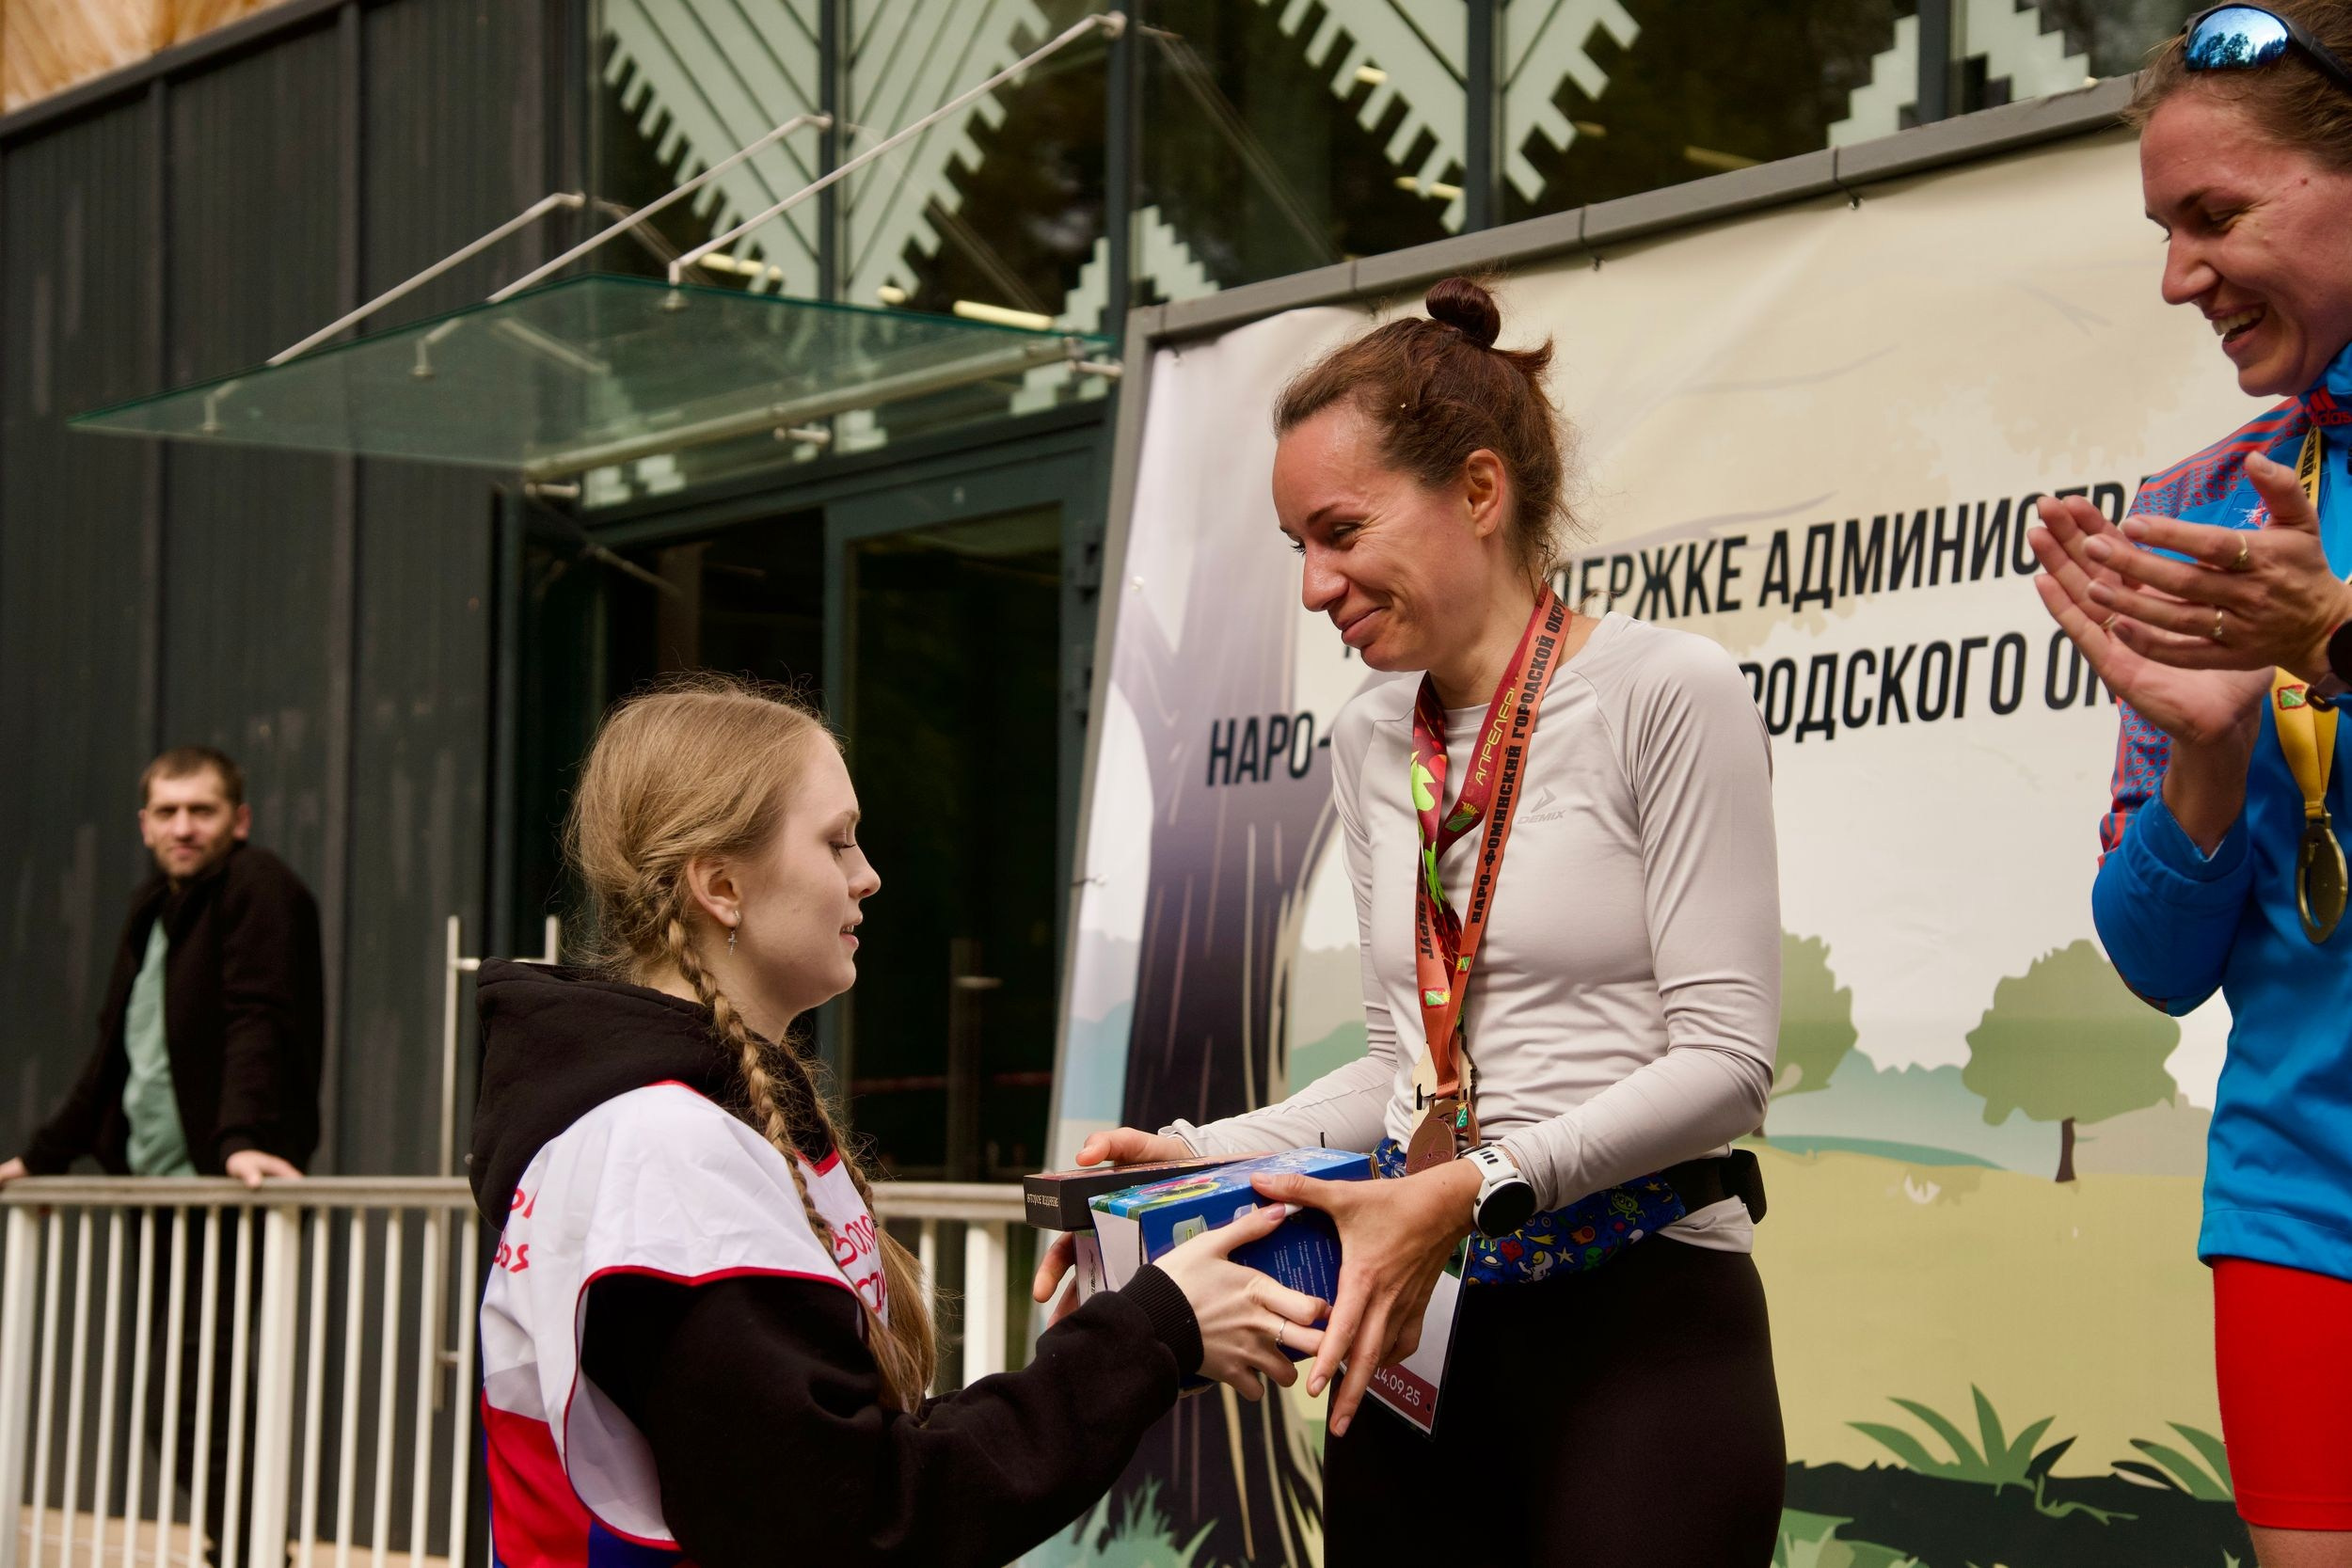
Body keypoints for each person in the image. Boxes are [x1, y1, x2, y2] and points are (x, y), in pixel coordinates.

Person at [1037, 277, 1786, 1564]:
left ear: (1479, 493)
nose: (1319, 585)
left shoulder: (1669, 691)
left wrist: (1473, 1188)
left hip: (1643, 1325)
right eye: (1299, 550)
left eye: (1342, 530)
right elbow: (1407, 1070)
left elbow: (1726, 1066)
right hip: (1420, 1321)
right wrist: (1192, 1153)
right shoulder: (1371, 734)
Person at [469, 675, 1332, 1568]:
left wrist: (1154, 1335)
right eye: (836, 840)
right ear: (720, 885)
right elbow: (865, 1524)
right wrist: (1151, 1331)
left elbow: (854, 1466)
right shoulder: (664, 1151)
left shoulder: (671, 1125)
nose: (867, 874)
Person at [2027, 6, 2352, 1561]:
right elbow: (2158, 966)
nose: (2178, 278)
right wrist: (2207, 755)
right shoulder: (2195, 517)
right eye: (2165, 230)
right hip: (2304, 1210)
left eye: (2215, 216)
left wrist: (2336, 638)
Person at [0, 745, 323, 1566]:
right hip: (157, 1190)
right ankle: (248, 1543)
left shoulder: (261, 890)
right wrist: (40, 1156)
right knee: (185, 1402)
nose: (185, 826)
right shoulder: (154, 908)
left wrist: (243, 1141)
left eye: (203, 809)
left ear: (238, 820)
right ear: (144, 824)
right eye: (169, 811)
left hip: (219, 1189)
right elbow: (116, 1051)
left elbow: (262, 1020)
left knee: (190, 1402)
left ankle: (252, 1547)